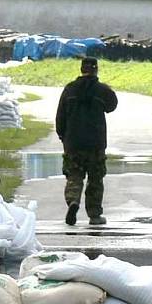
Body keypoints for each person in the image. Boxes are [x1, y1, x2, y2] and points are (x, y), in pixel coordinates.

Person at [55, 56, 118, 226]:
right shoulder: (101, 90)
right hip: (95, 143)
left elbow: (60, 116)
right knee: (95, 179)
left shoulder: (69, 89)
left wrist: (63, 136)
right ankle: (95, 215)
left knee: (74, 176)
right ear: (96, 69)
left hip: (73, 142)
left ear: (81, 69)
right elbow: (112, 106)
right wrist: (106, 88)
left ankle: (73, 202)